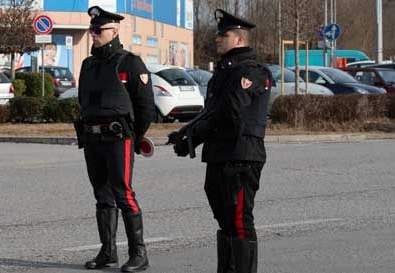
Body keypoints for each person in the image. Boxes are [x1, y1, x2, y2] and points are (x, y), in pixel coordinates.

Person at [172, 9, 272, 273]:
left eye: (223, 34)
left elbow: (230, 111)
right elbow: (212, 113)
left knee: (239, 221)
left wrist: (197, 132)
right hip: (220, 155)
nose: (217, 38)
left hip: (241, 156)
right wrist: (189, 136)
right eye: (217, 34)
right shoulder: (224, 73)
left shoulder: (252, 71)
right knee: (226, 221)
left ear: (239, 39)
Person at [75, 5, 155, 273]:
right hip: (93, 138)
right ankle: (107, 252)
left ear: (115, 31)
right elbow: (83, 101)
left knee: (123, 193)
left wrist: (135, 135)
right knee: (102, 195)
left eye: (98, 30)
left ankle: (138, 254)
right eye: (91, 29)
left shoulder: (129, 62)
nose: (93, 33)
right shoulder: (88, 65)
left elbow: (145, 107)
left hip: (119, 138)